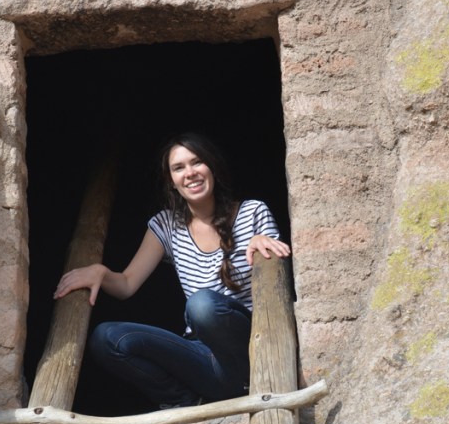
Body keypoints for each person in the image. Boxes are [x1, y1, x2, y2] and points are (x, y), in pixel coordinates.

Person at [54, 133, 290, 408]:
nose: (190, 173)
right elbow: (127, 284)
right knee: (107, 338)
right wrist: (101, 273)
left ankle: (246, 382)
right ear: (172, 182)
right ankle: (185, 401)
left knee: (201, 306)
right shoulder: (167, 224)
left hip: (252, 350)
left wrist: (263, 246)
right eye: (179, 168)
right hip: (205, 362)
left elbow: (277, 287)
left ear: (211, 167)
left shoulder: (252, 212)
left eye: (197, 162)